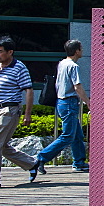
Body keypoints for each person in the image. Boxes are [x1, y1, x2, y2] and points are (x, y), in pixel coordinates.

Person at [31, 39, 91, 180]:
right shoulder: (73, 66)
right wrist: (88, 101)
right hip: (69, 102)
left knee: (77, 134)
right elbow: (77, 86)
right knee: (68, 135)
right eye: (81, 48)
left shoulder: (62, 63)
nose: (82, 50)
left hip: (61, 102)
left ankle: (79, 162)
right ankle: (40, 158)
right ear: (76, 51)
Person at [0, 36, 39, 187]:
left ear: (10, 52)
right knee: (1, 145)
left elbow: (29, 90)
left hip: (8, 110)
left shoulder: (19, 67)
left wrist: (28, 114)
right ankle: (32, 164)